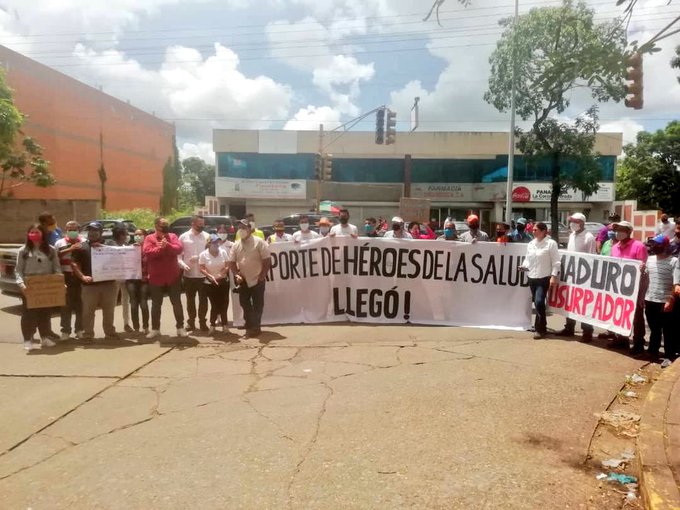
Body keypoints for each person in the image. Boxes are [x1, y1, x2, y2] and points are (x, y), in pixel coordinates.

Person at [15, 224, 62, 351]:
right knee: (28, 314)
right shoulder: (23, 251)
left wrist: (59, 282)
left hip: (47, 286)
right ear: (28, 234)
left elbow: (57, 268)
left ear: (43, 234)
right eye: (31, 232)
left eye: (37, 232)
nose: (34, 234)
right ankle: (28, 340)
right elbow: (18, 270)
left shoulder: (51, 250)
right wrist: (21, 285)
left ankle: (45, 337)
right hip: (30, 286)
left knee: (45, 313)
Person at [72, 222, 119, 341]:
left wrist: (103, 248)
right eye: (90, 230)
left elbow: (121, 255)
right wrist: (82, 277)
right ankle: (88, 334)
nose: (92, 233)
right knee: (88, 312)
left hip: (109, 285)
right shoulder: (81, 247)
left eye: (95, 231)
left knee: (109, 311)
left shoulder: (110, 244)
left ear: (101, 232)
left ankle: (110, 333)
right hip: (89, 286)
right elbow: (74, 264)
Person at [143, 217, 187, 339]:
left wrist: (167, 246)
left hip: (173, 276)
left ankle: (180, 327)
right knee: (156, 304)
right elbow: (148, 253)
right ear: (156, 226)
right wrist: (160, 249)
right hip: (156, 277)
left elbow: (179, 249)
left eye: (167, 224)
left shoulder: (172, 236)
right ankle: (155, 329)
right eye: (163, 224)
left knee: (176, 303)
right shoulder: (149, 238)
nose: (166, 226)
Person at [227, 219, 272, 339]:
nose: (241, 230)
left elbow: (267, 260)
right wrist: (236, 273)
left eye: (243, 227)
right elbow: (231, 262)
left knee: (258, 304)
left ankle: (255, 327)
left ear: (249, 229)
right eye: (239, 228)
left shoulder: (259, 242)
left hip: (258, 278)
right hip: (243, 280)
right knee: (244, 303)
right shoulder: (236, 244)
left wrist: (262, 275)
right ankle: (250, 324)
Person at [556, 213, 596, 342]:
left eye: (575, 221)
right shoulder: (572, 235)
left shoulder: (589, 237)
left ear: (582, 223)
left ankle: (587, 331)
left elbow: (592, 257)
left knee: (584, 305)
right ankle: (569, 327)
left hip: (584, 276)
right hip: (571, 274)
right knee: (570, 302)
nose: (572, 224)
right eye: (571, 221)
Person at [611, 220, 648, 354]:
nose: (618, 232)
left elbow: (644, 268)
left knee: (637, 316)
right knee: (620, 313)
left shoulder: (639, 246)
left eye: (621, 229)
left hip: (635, 288)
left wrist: (642, 268)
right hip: (619, 287)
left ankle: (638, 343)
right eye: (617, 229)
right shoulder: (614, 247)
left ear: (628, 232)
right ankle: (621, 339)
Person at [519, 222, 561, 340]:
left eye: (536, 230)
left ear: (543, 231)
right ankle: (542, 325)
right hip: (531, 277)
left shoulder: (551, 243)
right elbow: (528, 259)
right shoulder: (531, 244)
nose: (533, 231)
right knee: (538, 304)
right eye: (533, 230)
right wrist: (523, 266)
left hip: (544, 277)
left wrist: (553, 276)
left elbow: (556, 262)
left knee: (538, 301)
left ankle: (539, 329)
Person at [643, 235, 677, 360]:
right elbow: (645, 279)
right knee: (654, 329)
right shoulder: (649, 259)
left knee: (668, 331)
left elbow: (677, 283)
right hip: (650, 299)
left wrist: (671, 300)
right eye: (652, 244)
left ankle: (669, 355)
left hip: (665, 301)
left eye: (657, 244)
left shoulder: (674, 262)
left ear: (665, 246)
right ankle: (652, 352)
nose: (653, 246)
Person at [178, 215, 210, 332]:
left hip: (203, 274)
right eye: (199, 224)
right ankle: (191, 322)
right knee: (190, 300)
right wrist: (183, 264)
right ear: (193, 223)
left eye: (203, 224)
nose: (202, 226)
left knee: (203, 300)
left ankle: (202, 322)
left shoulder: (207, 236)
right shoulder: (183, 237)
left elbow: (210, 253)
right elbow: (178, 256)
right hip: (189, 274)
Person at [54, 220, 84, 340]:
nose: (72, 232)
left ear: (78, 230)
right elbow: (55, 257)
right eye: (70, 229)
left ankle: (80, 329)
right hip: (65, 276)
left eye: (75, 229)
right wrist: (70, 249)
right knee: (65, 305)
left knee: (80, 305)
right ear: (66, 230)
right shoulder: (59, 243)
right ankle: (65, 331)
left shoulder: (84, 242)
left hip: (79, 277)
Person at [199, 234, 231, 334]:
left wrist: (221, 274)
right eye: (213, 242)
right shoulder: (203, 254)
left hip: (223, 281)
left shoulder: (223, 252)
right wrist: (210, 276)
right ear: (209, 244)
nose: (216, 244)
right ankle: (212, 325)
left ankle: (225, 326)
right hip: (210, 283)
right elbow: (202, 268)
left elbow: (227, 266)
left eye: (217, 242)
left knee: (224, 304)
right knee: (215, 304)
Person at [106, 223, 133, 333]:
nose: (127, 236)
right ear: (120, 235)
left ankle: (126, 323)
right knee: (111, 303)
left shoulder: (126, 245)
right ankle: (110, 325)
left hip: (125, 277)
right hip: (114, 278)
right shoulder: (109, 245)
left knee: (125, 301)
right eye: (125, 234)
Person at [126, 228, 149, 334]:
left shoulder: (148, 249)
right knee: (133, 303)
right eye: (135, 234)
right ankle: (136, 327)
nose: (137, 236)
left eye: (140, 234)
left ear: (145, 236)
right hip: (131, 280)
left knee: (143, 303)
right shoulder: (130, 248)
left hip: (144, 279)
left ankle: (146, 327)